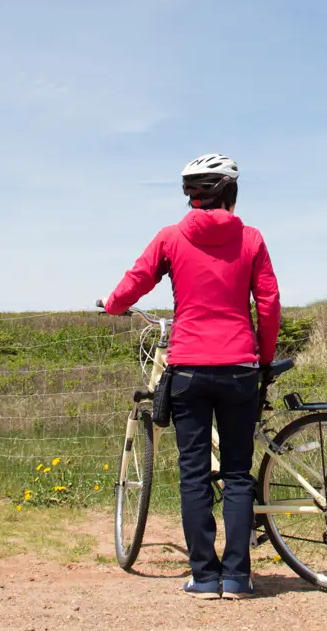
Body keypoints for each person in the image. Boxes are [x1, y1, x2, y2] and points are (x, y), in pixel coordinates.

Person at [100, 153, 281, 600]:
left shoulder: (171, 237)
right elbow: (270, 303)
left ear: (191, 197)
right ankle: (237, 577)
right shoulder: (252, 238)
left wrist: (114, 304)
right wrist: (264, 359)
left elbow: (137, 280)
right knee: (238, 473)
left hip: (188, 369)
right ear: (231, 193)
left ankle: (203, 576)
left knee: (194, 473)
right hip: (240, 367)